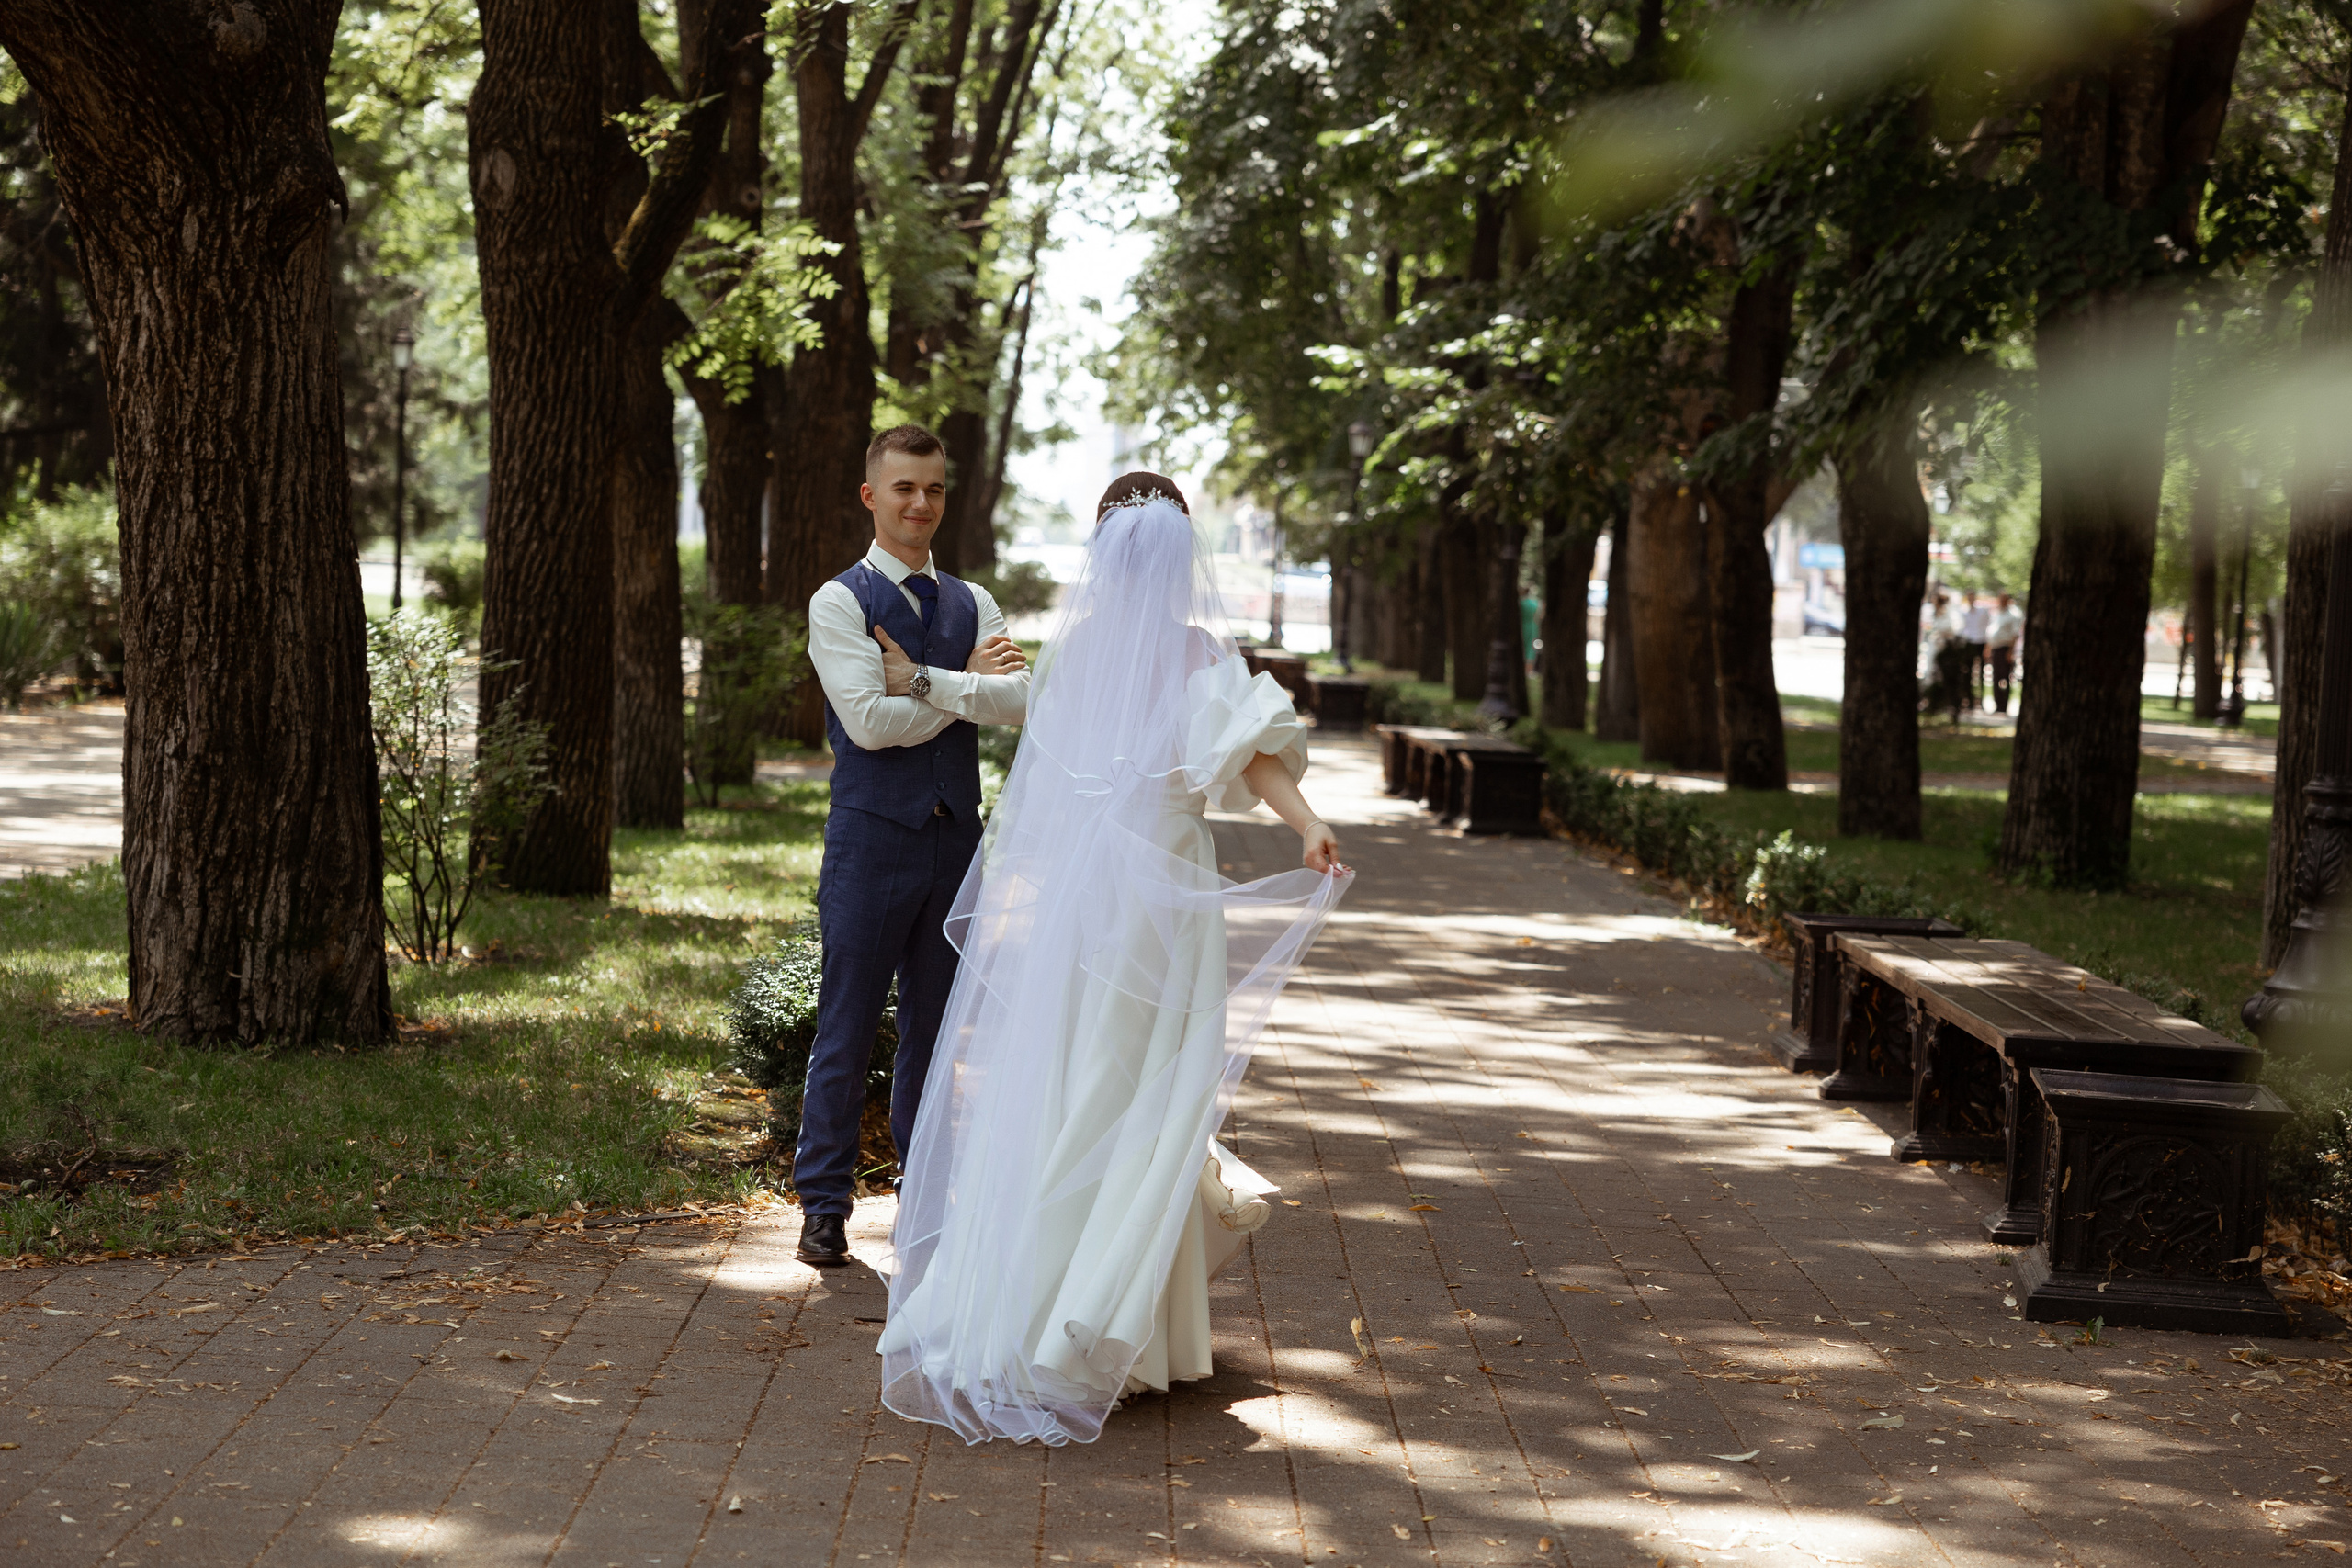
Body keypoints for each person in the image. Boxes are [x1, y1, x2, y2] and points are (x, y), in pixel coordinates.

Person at [877, 472, 1353, 1446]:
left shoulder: (1078, 653)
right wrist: (1307, 823)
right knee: (1149, 1097)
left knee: (1072, 1087)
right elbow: (1252, 757)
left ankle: (1059, 1313)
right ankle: (1099, 1329)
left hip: (1087, 900)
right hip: (1165, 895)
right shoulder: (1195, 652)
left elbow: (1043, 784)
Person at [794, 423, 1032, 1269]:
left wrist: (929, 681)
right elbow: (867, 722)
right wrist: (969, 689)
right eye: (903, 488)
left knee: (938, 1033)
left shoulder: (975, 600)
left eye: (933, 489)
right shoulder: (839, 600)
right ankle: (822, 1207)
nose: (920, 504)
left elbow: (1022, 701)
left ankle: (922, 1202)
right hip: (869, 840)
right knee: (847, 1027)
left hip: (955, 843)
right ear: (872, 494)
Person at [1985, 592, 2023, 716]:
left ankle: (2004, 705)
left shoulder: (2013, 614)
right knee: (1996, 677)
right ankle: (1997, 704)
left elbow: (2014, 635)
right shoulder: (1997, 613)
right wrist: (1988, 648)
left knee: (2004, 677)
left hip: (2005, 649)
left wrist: (2010, 652)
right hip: (1996, 648)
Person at [1958, 593, 1991, 711]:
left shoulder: (1982, 611)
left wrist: (1987, 645)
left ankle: (1981, 700)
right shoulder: (1963, 611)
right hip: (1969, 642)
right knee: (1967, 672)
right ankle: (1969, 700)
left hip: (1981, 641)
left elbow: (1988, 626)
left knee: (1982, 672)